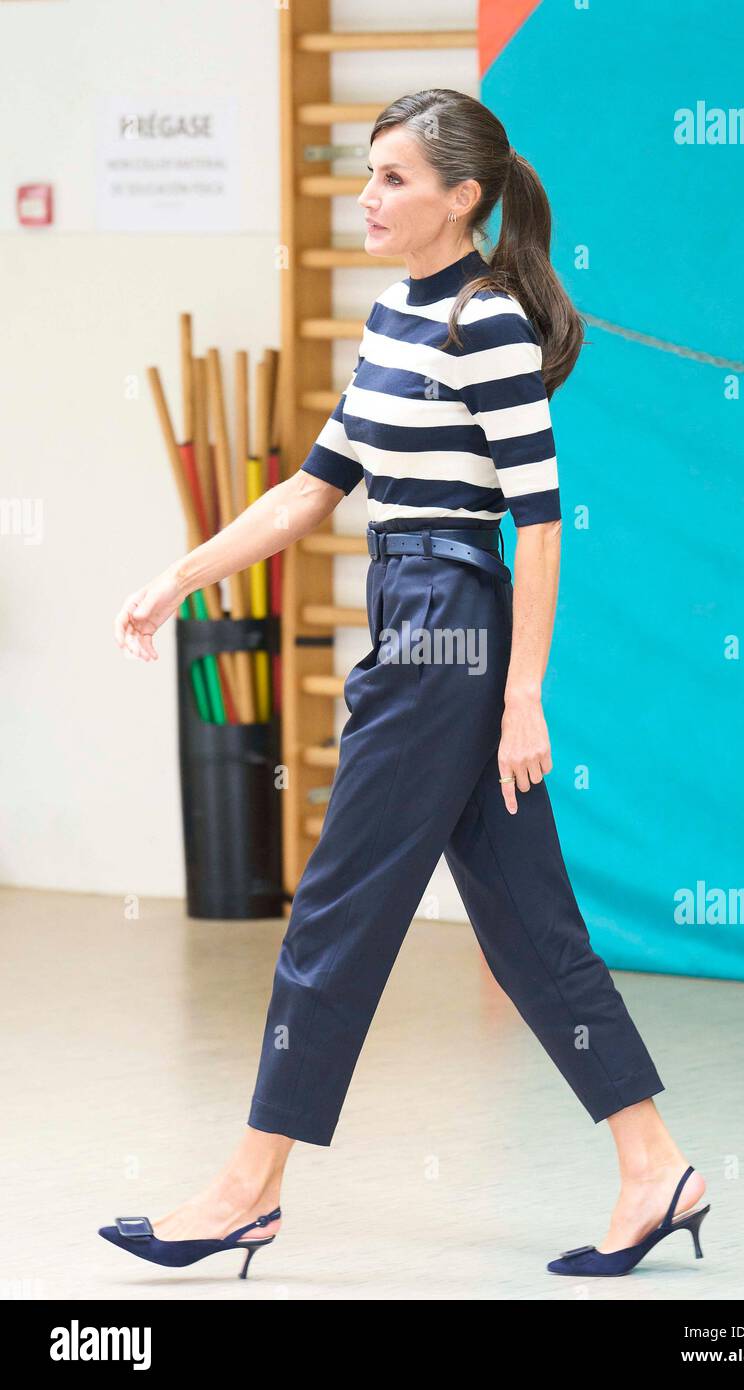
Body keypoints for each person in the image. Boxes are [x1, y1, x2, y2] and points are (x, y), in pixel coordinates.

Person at [103, 89, 708, 1279]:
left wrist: (521, 693)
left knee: (335, 905)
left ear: (460, 199)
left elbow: (535, 527)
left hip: (446, 630)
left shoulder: (485, 328)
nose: (365, 196)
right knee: (529, 926)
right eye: (366, 173)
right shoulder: (392, 317)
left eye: (390, 178)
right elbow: (310, 490)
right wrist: (177, 577)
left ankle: (246, 1188)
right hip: (410, 607)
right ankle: (655, 1168)